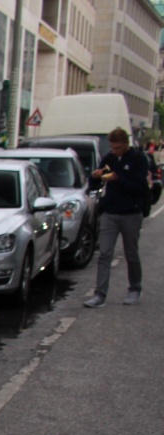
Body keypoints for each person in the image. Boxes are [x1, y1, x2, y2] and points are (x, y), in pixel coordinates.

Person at [86, 127, 151, 307]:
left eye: (118, 148)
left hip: (131, 213)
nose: (115, 151)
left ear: (126, 145)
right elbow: (95, 184)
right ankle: (100, 294)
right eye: (113, 148)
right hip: (110, 212)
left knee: (131, 253)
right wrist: (96, 177)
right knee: (105, 253)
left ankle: (134, 288)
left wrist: (118, 178)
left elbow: (139, 186)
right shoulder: (109, 159)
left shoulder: (138, 159)